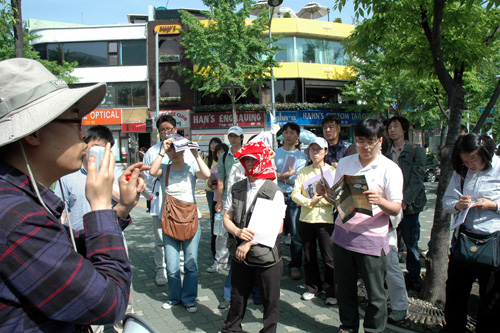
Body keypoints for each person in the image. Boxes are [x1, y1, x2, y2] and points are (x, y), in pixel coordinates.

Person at [0, 58, 144, 331]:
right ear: (34, 133)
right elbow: (109, 303)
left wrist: (121, 207)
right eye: (75, 121)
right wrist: (100, 205)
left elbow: (62, 259)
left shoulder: (18, 201)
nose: (84, 135)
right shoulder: (18, 217)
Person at [322, 117, 403, 333]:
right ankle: (348, 326)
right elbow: (339, 200)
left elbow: (396, 208)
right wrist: (327, 194)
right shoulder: (347, 163)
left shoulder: (390, 168)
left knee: (375, 294)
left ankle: (373, 330)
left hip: (371, 239)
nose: (366, 147)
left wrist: (380, 201)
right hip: (342, 235)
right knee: (344, 289)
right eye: (360, 141)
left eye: (371, 141)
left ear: (380, 142)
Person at [221, 141, 284, 333]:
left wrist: (248, 243)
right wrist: (237, 232)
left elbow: (278, 227)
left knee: (269, 299)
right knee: (237, 297)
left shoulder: (273, 189)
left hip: (266, 255)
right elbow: (227, 217)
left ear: (263, 160)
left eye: (253, 160)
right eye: (245, 160)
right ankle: (231, 329)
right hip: (240, 254)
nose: (249, 164)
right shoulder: (238, 187)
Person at [442, 133, 500, 332]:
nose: (470, 165)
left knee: (491, 298)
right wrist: (458, 204)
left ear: (486, 153)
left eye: (473, 159)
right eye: (465, 161)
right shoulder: (462, 172)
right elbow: (447, 201)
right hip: (465, 239)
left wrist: (493, 205)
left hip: (493, 241)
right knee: (455, 293)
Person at [149, 135, 210, 313]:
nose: (174, 153)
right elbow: (152, 172)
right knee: (172, 266)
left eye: (177, 149)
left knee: (191, 264)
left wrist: (196, 154)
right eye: (171, 149)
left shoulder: (191, 167)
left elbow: (206, 175)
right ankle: (174, 297)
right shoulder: (164, 168)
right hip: (169, 221)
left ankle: (189, 298)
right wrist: (162, 151)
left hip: (191, 220)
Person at [143, 115, 194, 286]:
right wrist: (151, 196)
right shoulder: (152, 151)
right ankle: (161, 270)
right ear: (158, 132)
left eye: (169, 129)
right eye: (162, 130)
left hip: (182, 201)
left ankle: (179, 264)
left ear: (175, 129)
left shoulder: (184, 146)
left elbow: (192, 170)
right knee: (160, 239)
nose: (166, 132)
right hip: (159, 201)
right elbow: (147, 177)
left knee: (180, 234)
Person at [291, 137, 336, 305]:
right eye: (312, 150)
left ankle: (331, 290)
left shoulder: (331, 172)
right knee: (309, 256)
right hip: (306, 218)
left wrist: (320, 199)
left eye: (318, 150)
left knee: (328, 257)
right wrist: (309, 201)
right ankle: (312, 287)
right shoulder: (303, 171)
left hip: (326, 220)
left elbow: (335, 198)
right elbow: (295, 193)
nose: (315, 153)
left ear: (325, 152)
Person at [386, 116, 427, 291]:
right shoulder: (386, 153)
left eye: (395, 126)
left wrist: (404, 202)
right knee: (391, 243)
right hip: (390, 206)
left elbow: (418, 180)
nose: (392, 129)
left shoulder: (415, 151)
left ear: (404, 130)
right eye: (390, 127)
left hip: (410, 207)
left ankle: (414, 278)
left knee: (411, 244)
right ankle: (392, 277)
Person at [55, 125, 123, 230]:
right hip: (78, 237)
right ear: (85, 147)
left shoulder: (115, 172)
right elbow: (62, 213)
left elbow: (123, 198)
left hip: (109, 234)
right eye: (96, 147)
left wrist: (98, 173)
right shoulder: (68, 174)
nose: (100, 152)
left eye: (104, 149)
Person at [275, 122, 308, 280]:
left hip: (294, 198)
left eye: (291, 132)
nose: (288, 135)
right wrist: (285, 176)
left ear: (297, 136)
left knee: (295, 234)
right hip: (277, 196)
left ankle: (295, 265)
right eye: (286, 132)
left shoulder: (302, 157)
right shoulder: (275, 153)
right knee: (274, 232)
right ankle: (274, 263)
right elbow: (270, 175)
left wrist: (280, 175)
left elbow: (298, 179)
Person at [211, 126, 245, 274]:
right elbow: (220, 180)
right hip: (226, 199)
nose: (233, 139)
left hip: (244, 199)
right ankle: (220, 261)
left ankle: (241, 259)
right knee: (221, 232)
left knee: (242, 228)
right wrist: (219, 200)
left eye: (236, 136)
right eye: (230, 136)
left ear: (241, 137)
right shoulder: (224, 156)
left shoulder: (247, 153)